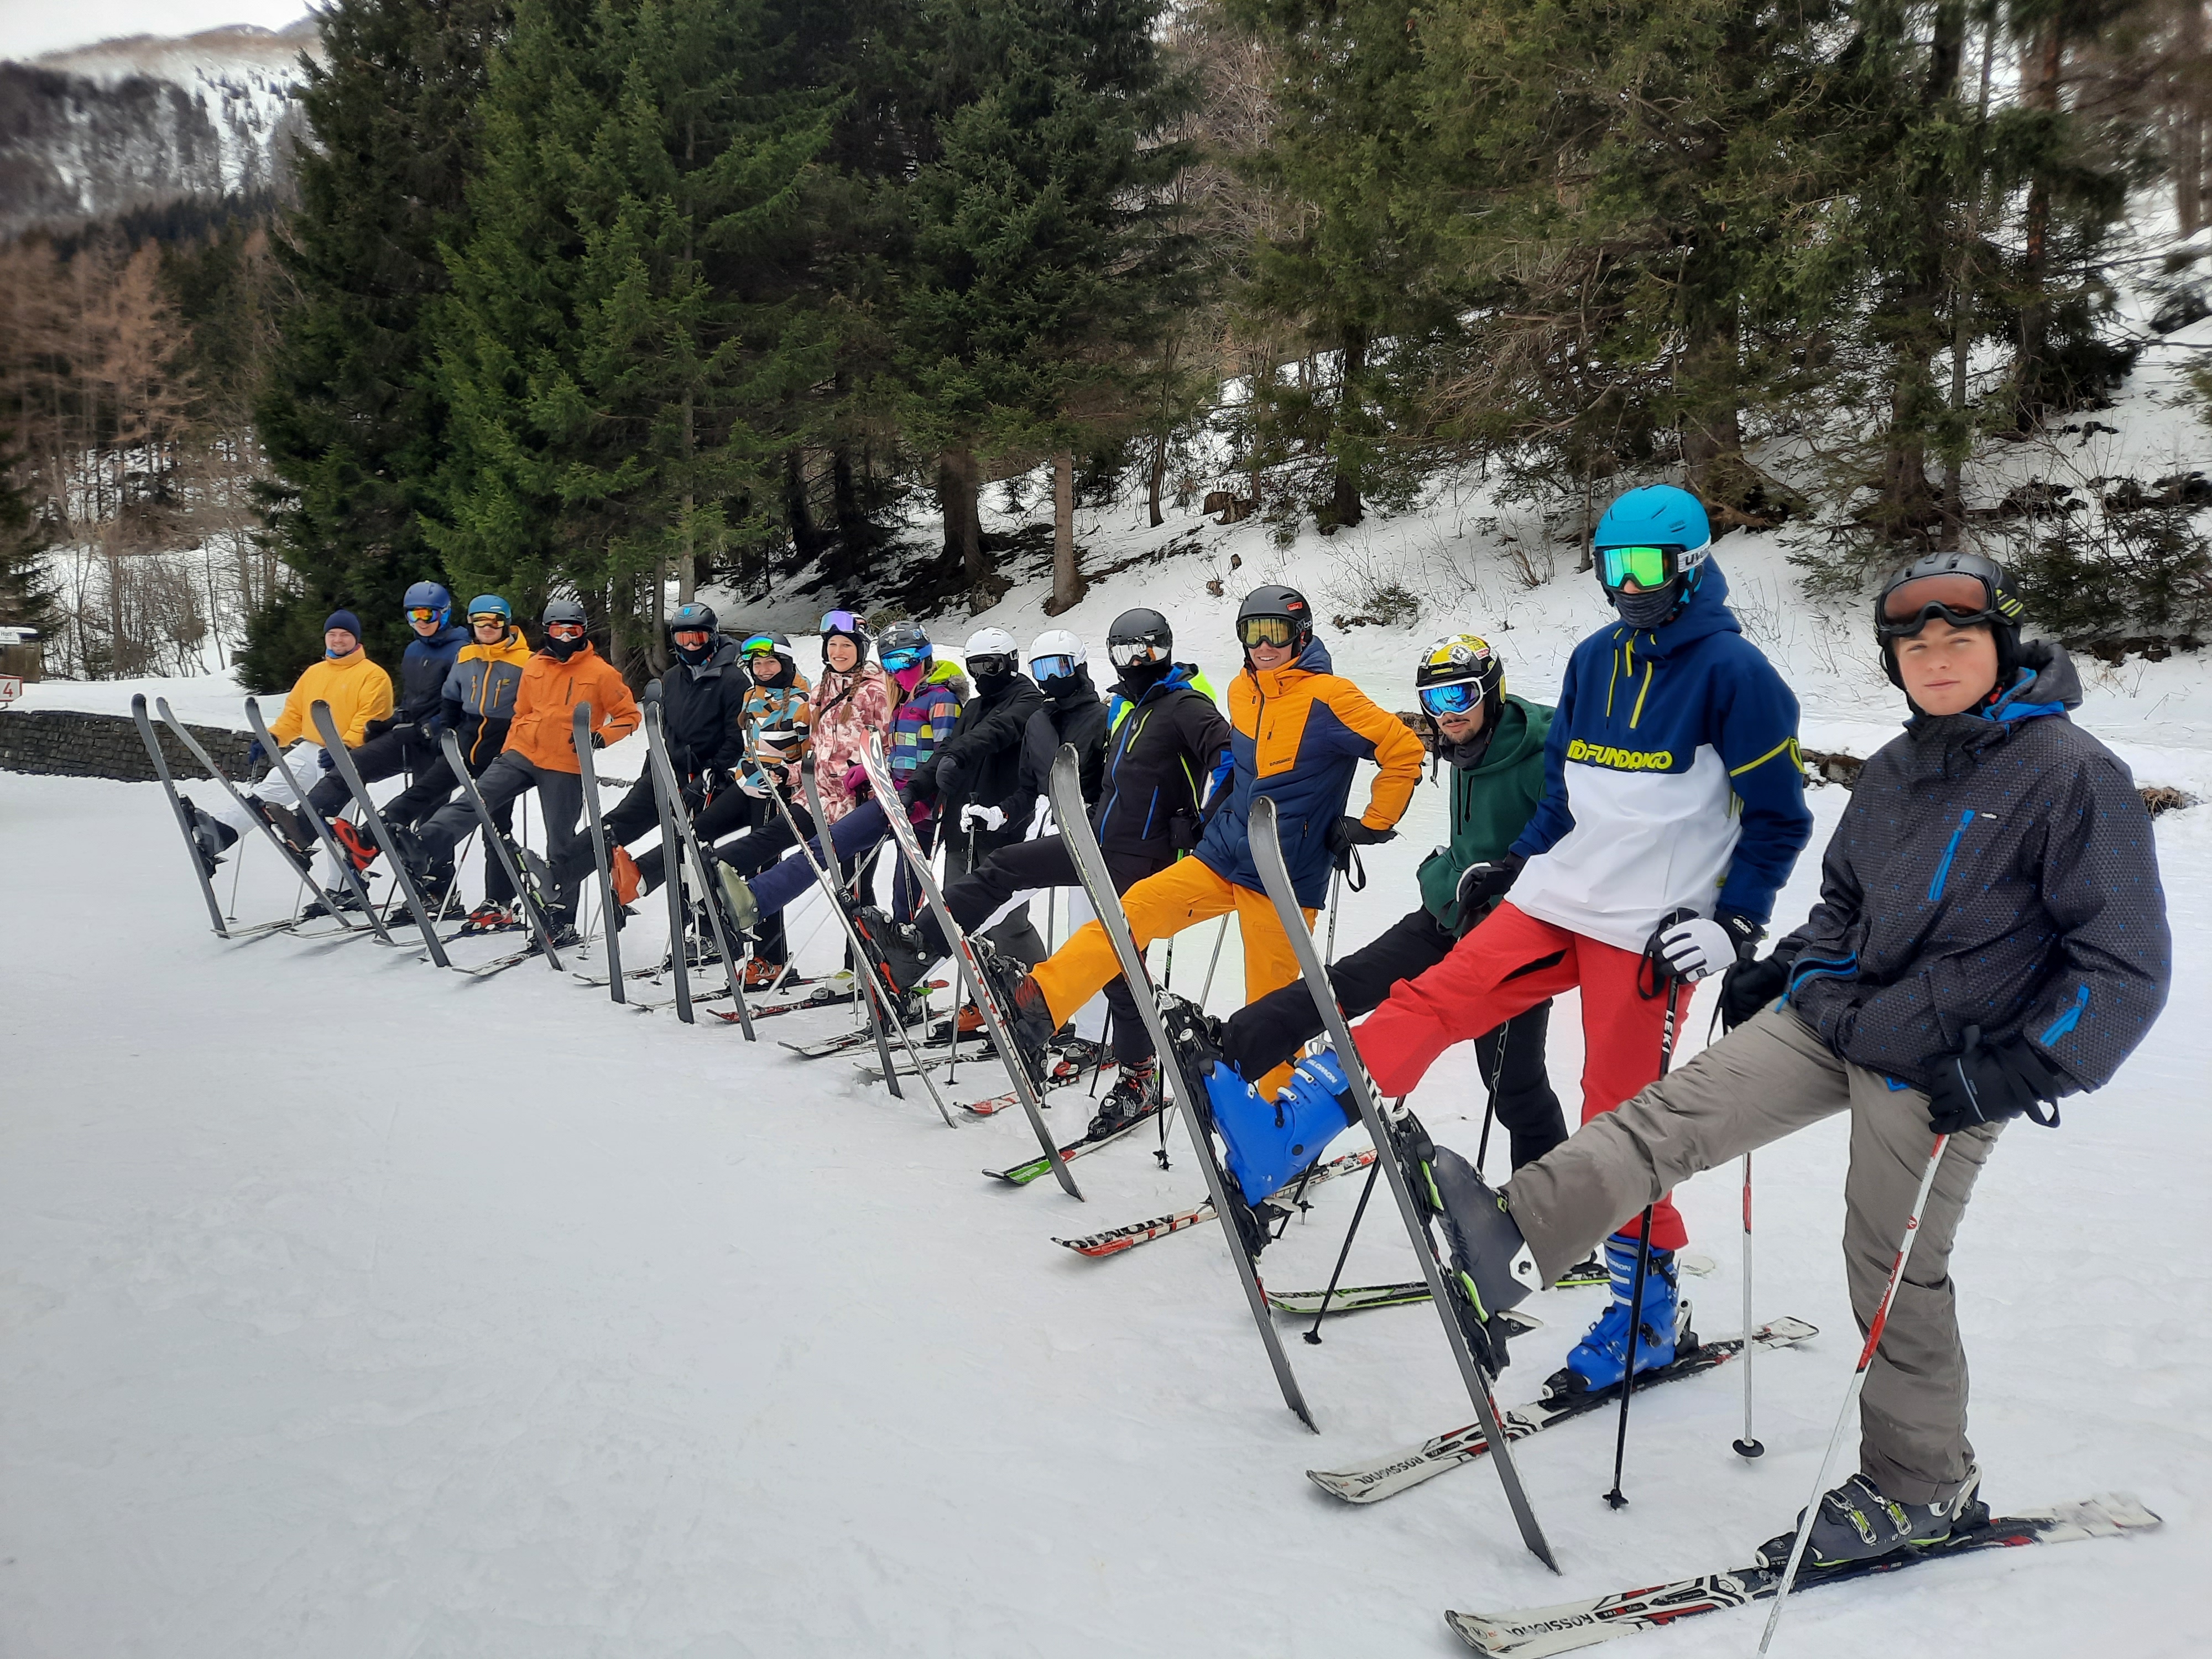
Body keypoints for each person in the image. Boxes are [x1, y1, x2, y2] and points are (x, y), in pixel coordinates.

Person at [1405, 549, 2169, 1568]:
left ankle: (1922, 1485)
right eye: (1916, 645)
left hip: (1953, 1064)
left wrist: (2029, 1066)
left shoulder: (2073, 774)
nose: (1937, 660)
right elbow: (1848, 900)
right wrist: (1793, 967)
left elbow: (2124, 962)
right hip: (1838, 1017)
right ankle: (1513, 1237)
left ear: (2006, 646)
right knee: (1664, 1117)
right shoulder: (1900, 769)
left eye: (1960, 640)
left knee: (1888, 1266)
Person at [1322, 485, 1814, 1395]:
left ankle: (1645, 1311)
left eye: (1648, 568)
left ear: (1692, 566)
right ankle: (1297, 1117)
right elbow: (1562, 794)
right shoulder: (1594, 660)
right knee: (1435, 997)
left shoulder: (1737, 678)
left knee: (1619, 1112)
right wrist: (1517, 863)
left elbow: (1781, 818)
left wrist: (1735, 921)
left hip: (1654, 929)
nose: (1629, 587)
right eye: (1614, 568)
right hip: (1562, 897)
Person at [989, 584, 1426, 1107]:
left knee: (1272, 1006)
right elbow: (1242, 770)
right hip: (1223, 854)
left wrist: (1373, 823)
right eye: (1252, 634)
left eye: (1277, 634)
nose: (1264, 646)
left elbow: (1403, 749)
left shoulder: (1332, 696)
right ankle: (1043, 1000)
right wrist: (1207, 817)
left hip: (1284, 875)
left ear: (1300, 634)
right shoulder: (1244, 691)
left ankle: (1276, 1116)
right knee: (1131, 912)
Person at [1204, 634, 1566, 1180]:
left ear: (1492, 691)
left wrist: (1519, 874)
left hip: (1513, 936)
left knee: (1512, 1083)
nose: (1447, 714)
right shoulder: (1458, 736)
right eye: (1434, 700)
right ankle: (1227, 1052)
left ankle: (1556, 1212)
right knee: (1345, 984)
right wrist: (1364, 823)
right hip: (1450, 912)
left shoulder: (1545, 751)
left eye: (1461, 696)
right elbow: (1383, 735)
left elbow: (1578, 829)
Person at [859, 609, 1231, 1135]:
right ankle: (916, 948)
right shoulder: (1126, 706)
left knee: (1122, 964)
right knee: (1004, 866)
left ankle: (1139, 1075)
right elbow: (1096, 783)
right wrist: (1010, 812)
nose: (1132, 662)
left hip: (1143, 858)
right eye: (1122, 652)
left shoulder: (1183, 705)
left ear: (1164, 651)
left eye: (1143, 652)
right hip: (1096, 841)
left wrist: (1205, 826)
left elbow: (1233, 762)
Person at [389, 598, 639, 946]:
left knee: (561, 842)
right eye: (557, 629)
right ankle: (425, 845)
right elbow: (522, 711)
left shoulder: (601, 673)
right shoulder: (535, 665)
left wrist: (601, 737)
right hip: (520, 753)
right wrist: (510, 746)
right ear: (547, 631)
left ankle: (561, 918)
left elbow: (629, 716)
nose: (565, 637)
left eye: (573, 630)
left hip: (564, 762)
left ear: (583, 631)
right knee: (475, 801)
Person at [549, 601, 750, 936]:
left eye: (697, 639)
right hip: (664, 770)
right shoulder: (672, 678)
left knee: (687, 849)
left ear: (712, 638)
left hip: (704, 779)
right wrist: (650, 768)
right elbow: (664, 731)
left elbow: (735, 738)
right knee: (617, 823)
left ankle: (705, 931)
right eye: (683, 640)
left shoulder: (733, 680)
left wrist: (713, 772)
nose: (690, 646)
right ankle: (556, 877)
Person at [628, 628, 812, 983]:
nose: (764, 670)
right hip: (747, 783)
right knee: (695, 833)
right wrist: (728, 772)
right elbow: (745, 744)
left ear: (786, 663)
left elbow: (812, 755)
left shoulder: (804, 702)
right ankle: (699, 918)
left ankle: (770, 958)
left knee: (761, 870)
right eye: (758, 665)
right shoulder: (752, 697)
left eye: (771, 663)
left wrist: (786, 775)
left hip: (779, 793)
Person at [324, 592, 523, 917]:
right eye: (479, 621)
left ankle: (498, 902)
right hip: (465, 745)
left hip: (502, 753)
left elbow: (530, 707)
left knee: (496, 825)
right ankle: (368, 841)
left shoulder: (524, 661)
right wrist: (445, 730)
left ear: (506, 623)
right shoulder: (467, 655)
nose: (487, 627)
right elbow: (450, 698)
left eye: (495, 621)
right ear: (470, 622)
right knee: (423, 793)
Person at [180, 611, 392, 883]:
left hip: (348, 758)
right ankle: (222, 832)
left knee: (334, 824)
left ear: (356, 639)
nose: (338, 640)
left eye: (345, 635)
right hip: (309, 750)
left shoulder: (373, 676)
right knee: (267, 793)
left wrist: (346, 746)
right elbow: (294, 715)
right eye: (332, 635)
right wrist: (272, 738)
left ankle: (346, 887)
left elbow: (371, 719)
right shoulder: (314, 673)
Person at [309, 581, 468, 842]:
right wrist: (390, 722)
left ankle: (432, 879)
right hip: (408, 736)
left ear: (445, 612)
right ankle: (304, 825)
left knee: (429, 814)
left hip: (439, 743)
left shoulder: (462, 651)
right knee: (351, 766)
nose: (421, 621)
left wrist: (428, 729)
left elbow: (462, 705)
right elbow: (412, 701)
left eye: (429, 614)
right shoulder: (414, 649)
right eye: (413, 614)